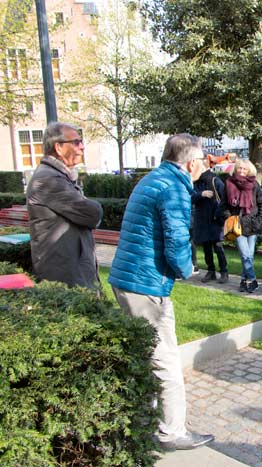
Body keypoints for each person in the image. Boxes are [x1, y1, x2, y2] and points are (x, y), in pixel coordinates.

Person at [108, 134, 214, 451]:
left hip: (128, 279)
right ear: (192, 163)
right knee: (165, 359)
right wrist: (186, 270)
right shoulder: (175, 188)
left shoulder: (154, 178)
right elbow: (177, 240)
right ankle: (171, 432)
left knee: (146, 354)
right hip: (146, 284)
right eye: (204, 161)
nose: (205, 166)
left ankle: (145, 420)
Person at [26, 122, 103, 289]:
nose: (82, 147)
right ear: (58, 148)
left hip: (72, 268)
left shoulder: (58, 176)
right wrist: (95, 206)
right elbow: (92, 214)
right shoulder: (49, 180)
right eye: (76, 142)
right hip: (65, 275)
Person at [225, 159, 262, 293]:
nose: (242, 171)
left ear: (249, 170)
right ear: (236, 169)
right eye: (240, 168)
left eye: (244, 169)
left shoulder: (254, 184)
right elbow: (224, 206)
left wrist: (257, 221)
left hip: (253, 225)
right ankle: (253, 280)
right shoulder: (229, 184)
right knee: (245, 255)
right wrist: (229, 217)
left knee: (249, 256)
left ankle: (244, 281)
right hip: (238, 226)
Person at [192, 161, 228, 283]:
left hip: (215, 219)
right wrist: (201, 194)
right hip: (202, 220)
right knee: (207, 248)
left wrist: (219, 214)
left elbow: (225, 199)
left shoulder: (215, 180)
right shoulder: (195, 182)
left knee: (218, 247)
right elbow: (190, 198)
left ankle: (224, 272)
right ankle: (210, 271)